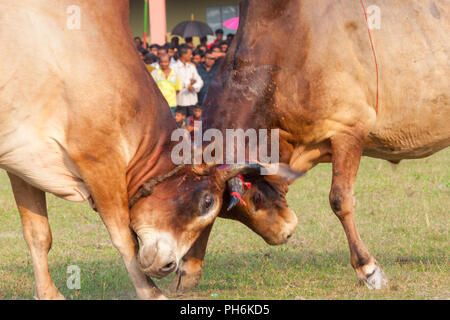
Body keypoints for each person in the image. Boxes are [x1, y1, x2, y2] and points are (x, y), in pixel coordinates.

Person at [172, 45, 203, 117]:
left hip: (193, 101)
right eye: (190, 54)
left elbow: (200, 81)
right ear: (183, 55)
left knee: (196, 125)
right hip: (180, 102)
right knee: (180, 125)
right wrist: (189, 83)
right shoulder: (173, 67)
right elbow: (175, 82)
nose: (191, 56)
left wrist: (194, 86)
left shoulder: (191, 67)